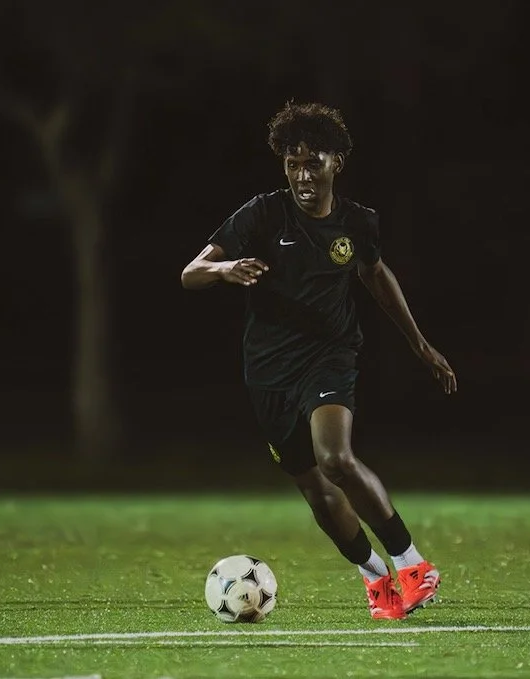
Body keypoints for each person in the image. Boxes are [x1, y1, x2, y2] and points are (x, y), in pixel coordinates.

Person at [182, 101, 456, 620]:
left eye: (314, 163)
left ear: (338, 162)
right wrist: (225, 270)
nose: (303, 175)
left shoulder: (357, 223)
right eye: (292, 163)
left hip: (330, 356)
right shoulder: (262, 213)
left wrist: (420, 345)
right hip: (268, 371)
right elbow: (190, 272)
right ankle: (376, 577)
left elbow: (376, 276)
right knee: (314, 487)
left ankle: (413, 564)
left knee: (335, 460)